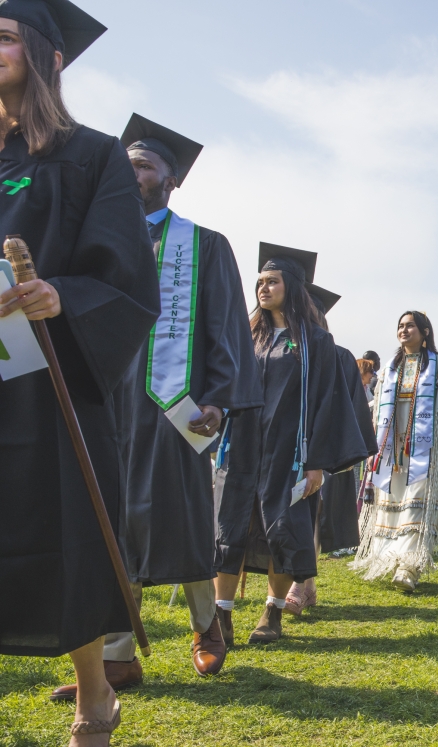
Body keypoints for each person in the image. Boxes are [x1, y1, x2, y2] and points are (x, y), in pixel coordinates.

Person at [55, 115, 263, 696]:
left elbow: (226, 328)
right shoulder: (91, 242)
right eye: (123, 163)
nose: (130, 172)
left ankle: (207, 627)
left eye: (143, 164)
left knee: (178, 519)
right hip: (104, 404)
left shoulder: (203, 246)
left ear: (172, 181)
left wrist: (220, 400)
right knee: (107, 525)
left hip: (175, 408)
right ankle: (118, 657)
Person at [0, 1, 160, 742]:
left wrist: (63, 293)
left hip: (52, 377)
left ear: (49, 55)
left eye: (3, 37)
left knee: (63, 526)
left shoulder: (94, 155)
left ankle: (95, 691)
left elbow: (127, 278)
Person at [212, 244, 366, 644]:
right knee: (229, 530)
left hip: (290, 453)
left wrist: (316, 463)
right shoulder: (246, 335)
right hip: (243, 447)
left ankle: (272, 612)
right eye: (260, 281)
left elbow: (325, 405)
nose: (263, 288)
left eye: (273, 281)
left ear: (292, 286)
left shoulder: (316, 342)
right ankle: (221, 616)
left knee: (285, 531)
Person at [285, 284, 379, 611]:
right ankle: (306, 584)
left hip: (324, 452)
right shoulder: (282, 349)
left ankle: (298, 584)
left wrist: (342, 453)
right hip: (283, 448)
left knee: (310, 513)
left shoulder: (337, 355)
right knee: (298, 515)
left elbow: (352, 409)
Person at [351, 311, 438, 592]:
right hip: (392, 452)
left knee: (417, 505)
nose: (404, 330)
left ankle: (409, 567)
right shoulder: (389, 368)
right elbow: (377, 418)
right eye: (400, 326)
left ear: (425, 332)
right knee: (391, 501)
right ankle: (389, 559)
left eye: (410, 325)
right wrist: (374, 447)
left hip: (425, 451)